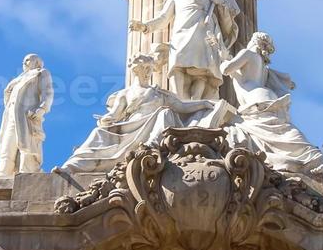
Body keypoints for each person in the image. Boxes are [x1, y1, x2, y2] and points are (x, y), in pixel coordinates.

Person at [57, 46, 233, 175]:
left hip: (152, 127)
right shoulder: (125, 94)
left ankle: (152, 146)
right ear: (136, 69)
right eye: (145, 68)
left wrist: (205, 104)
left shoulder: (158, 92)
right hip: (132, 126)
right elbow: (115, 114)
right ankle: (72, 166)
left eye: (150, 68)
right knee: (98, 133)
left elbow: (182, 107)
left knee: (166, 112)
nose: (148, 71)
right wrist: (106, 120)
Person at [221, 32, 323, 173]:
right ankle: (311, 156)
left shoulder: (247, 53)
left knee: (279, 133)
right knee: (281, 132)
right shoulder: (261, 64)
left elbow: (226, 70)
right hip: (266, 96)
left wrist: (222, 60)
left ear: (253, 41)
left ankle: (314, 158)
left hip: (256, 99)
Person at [128, 0, 239, 101]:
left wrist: (221, 3)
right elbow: (163, 18)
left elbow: (224, 18)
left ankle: (196, 100)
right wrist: (145, 27)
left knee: (203, 70)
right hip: (181, 34)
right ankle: (178, 98)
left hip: (203, 34)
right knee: (177, 65)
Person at [0, 53, 53, 177]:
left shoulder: (41, 73)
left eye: (28, 60)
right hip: (11, 116)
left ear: (37, 62)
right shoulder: (17, 80)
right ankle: (3, 174)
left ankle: (26, 172)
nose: (24, 62)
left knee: (26, 144)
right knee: (7, 145)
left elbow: (47, 92)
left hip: (27, 115)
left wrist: (42, 109)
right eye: (24, 60)